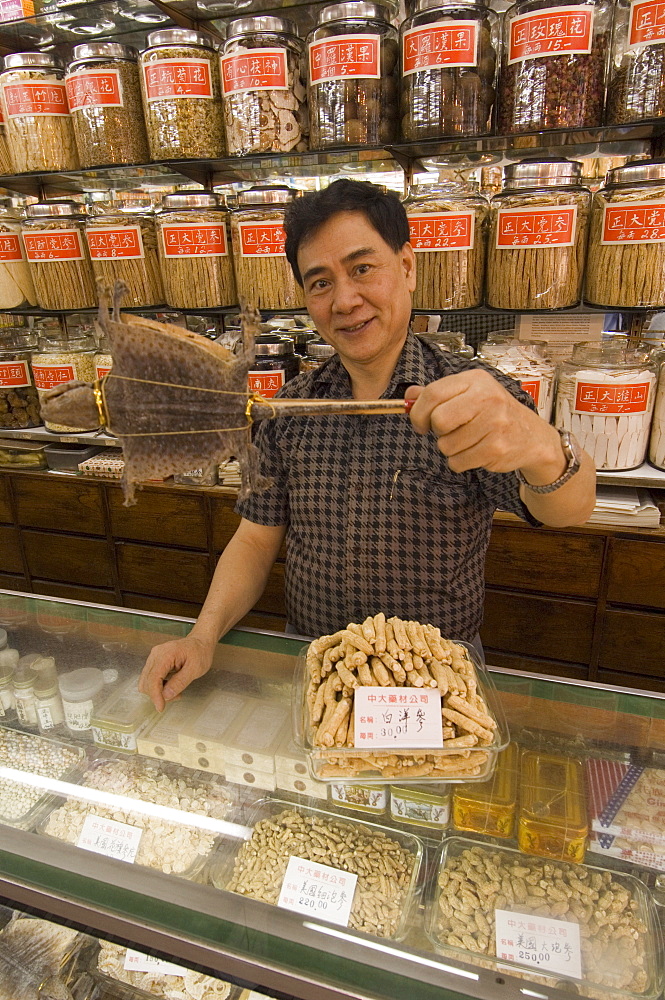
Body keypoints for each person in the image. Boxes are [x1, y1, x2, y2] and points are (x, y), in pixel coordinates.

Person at [139, 179, 596, 711]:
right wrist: (202, 635)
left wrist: (545, 448)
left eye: (362, 268)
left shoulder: (472, 396)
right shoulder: (292, 408)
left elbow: (570, 509)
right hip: (317, 662)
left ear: (406, 266)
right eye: (320, 282)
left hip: (434, 679)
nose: (346, 300)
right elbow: (255, 539)